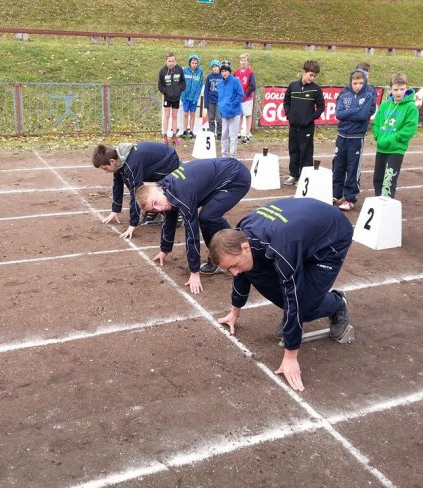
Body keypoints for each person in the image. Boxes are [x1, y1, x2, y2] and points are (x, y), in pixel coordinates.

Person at [210, 198, 354, 391]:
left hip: (331, 239)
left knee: (305, 306)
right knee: (252, 271)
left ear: (244, 248)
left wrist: (290, 355)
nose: (233, 272)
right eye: (229, 268)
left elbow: (293, 295)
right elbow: (241, 273)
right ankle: (294, 319)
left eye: (233, 266)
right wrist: (235, 310)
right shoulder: (241, 234)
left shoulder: (281, 248)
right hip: (298, 233)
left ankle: (337, 302)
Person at [135, 157, 251, 294]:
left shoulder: (182, 194)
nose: (159, 209)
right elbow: (169, 220)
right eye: (154, 210)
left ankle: (234, 249)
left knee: (208, 217)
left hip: (236, 178)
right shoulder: (165, 189)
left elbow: (192, 234)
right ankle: (227, 248)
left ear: (159, 190)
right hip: (223, 172)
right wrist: (165, 249)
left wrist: (194, 271)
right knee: (207, 216)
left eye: (155, 203)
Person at [92, 142, 180, 238]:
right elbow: (117, 184)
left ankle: (176, 211)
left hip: (168, 160)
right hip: (158, 160)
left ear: (112, 161)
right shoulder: (120, 159)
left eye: (105, 168)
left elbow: (136, 191)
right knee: (128, 179)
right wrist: (115, 210)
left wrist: (133, 224)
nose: (106, 172)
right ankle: (153, 209)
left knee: (157, 187)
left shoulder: (131, 164)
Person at [371, 73, 419, 199]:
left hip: (396, 149)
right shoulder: (385, 105)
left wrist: (395, 138)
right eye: (396, 89)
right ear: (390, 89)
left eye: (402, 89)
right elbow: (376, 123)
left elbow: (410, 128)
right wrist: (378, 136)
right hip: (382, 147)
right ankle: (378, 203)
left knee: (389, 181)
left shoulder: (411, 107)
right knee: (378, 179)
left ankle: (387, 205)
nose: (399, 92)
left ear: (407, 88)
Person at [333, 68, 374, 211]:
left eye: (361, 83)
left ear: (365, 82)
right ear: (351, 82)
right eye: (355, 83)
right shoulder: (344, 95)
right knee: (338, 166)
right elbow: (338, 114)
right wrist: (355, 110)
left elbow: (363, 115)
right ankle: (336, 194)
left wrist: (347, 113)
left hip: (356, 137)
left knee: (353, 168)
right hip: (341, 136)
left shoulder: (368, 95)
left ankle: (350, 198)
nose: (358, 86)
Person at [283, 60, 325, 186]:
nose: (312, 78)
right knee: (293, 150)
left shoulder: (316, 89)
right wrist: (289, 115)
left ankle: (304, 176)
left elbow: (321, 106)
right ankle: (293, 175)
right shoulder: (293, 86)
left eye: (314, 76)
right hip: (293, 126)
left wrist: (311, 118)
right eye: (310, 75)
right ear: (304, 72)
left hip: (307, 127)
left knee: (306, 152)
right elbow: (286, 101)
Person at [158, 52, 186, 146]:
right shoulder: (162, 71)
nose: (171, 63)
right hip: (167, 97)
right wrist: (166, 91)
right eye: (169, 61)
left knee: (174, 116)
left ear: (175, 61)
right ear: (166, 61)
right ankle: (165, 136)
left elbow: (183, 83)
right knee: (166, 115)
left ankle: (174, 136)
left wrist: (179, 90)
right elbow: (160, 85)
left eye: (172, 61)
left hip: (176, 97)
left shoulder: (179, 69)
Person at [217, 60, 244, 158]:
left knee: (233, 135)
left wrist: (233, 105)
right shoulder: (220, 83)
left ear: (229, 71)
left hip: (234, 112)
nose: (224, 73)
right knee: (224, 135)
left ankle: (233, 156)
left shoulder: (235, 80)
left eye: (225, 71)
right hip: (224, 112)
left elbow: (240, 94)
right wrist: (221, 107)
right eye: (222, 71)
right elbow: (220, 97)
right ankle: (224, 155)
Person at [234, 53, 257, 144]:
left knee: (248, 115)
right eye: (242, 60)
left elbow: (253, 86)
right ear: (239, 62)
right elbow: (233, 85)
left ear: (247, 62)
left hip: (247, 98)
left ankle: (247, 134)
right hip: (238, 98)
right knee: (239, 115)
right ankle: (238, 132)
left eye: (245, 60)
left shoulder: (250, 73)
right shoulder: (236, 72)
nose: (243, 62)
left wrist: (245, 94)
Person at [180, 53, 204, 140]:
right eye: (192, 63)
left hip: (194, 97)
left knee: (193, 114)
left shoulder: (200, 71)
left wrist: (196, 97)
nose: (194, 65)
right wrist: (182, 95)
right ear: (189, 62)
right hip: (185, 96)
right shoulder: (184, 70)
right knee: (185, 114)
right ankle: (184, 131)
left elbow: (200, 85)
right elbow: (181, 83)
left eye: (196, 63)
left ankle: (191, 131)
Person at [204, 59, 223, 140]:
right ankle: (212, 134)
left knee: (219, 119)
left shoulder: (222, 76)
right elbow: (206, 90)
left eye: (216, 66)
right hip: (211, 101)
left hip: (219, 101)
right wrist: (206, 102)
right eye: (213, 67)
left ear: (219, 67)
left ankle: (219, 134)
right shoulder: (209, 77)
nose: (215, 68)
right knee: (211, 119)